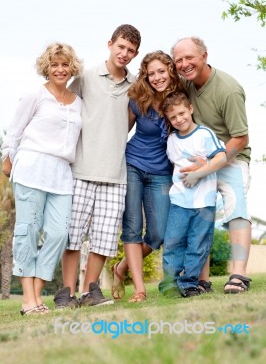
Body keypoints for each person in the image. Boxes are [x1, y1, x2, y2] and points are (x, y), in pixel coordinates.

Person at [53, 24, 141, 309]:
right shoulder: (85, 77)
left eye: (130, 50)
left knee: (103, 239)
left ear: (135, 53)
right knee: (72, 236)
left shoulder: (136, 85)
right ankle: (66, 293)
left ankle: (91, 291)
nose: (124, 53)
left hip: (115, 174)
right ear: (110, 44)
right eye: (121, 47)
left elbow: (129, 121)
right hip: (80, 169)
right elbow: (64, 109)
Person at [1, 43, 83, 315]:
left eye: (64, 64)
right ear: (46, 68)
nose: (60, 69)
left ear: (72, 68)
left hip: (61, 174)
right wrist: (7, 160)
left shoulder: (78, 102)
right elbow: (13, 132)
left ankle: (36, 292)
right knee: (28, 232)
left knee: (60, 234)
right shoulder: (35, 95)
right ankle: (28, 299)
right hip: (31, 168)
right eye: (54, 64)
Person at [172, 37, 252, 294]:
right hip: (200, 160)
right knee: (200, 215)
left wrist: (211, 163)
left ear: (204, 56)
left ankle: (238, 275)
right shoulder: (187, 85)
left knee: (235, 209)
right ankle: (201, 279)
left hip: (231, 157)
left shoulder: (227, 89)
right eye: (179, 60)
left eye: (190, 58)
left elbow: (240, 138)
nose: (184, 64)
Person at [110, 51, 186, 303]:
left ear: (170, 71)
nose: (156, 77)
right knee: (132, 228)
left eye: (161, 71)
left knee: (158, 233)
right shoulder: (139, 98)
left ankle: (120, 269)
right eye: (151, 73)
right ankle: (140, 290)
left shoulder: (180, 98)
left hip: (162, 171)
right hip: (133, 164)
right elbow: (121, 131)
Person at [158, 92, 226, 297]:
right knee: (173, 242)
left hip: (204, 202)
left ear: (190, 109)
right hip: (179, 200)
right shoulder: (171, 140)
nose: (179, 119)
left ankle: (189, 283)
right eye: (173, 117)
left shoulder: (205, 134)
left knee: (198, 244)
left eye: (181, 113)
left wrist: (198, 174)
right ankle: (170, 282)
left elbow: (221, 158)